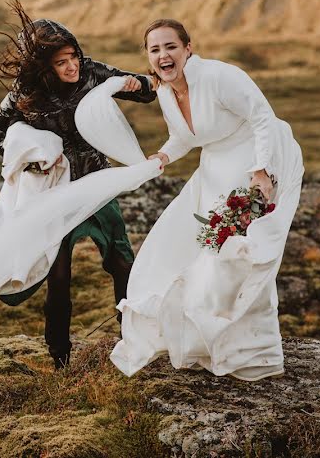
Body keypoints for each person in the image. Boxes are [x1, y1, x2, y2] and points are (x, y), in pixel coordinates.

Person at [110, 19, 304, 381]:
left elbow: (261, 116)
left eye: (170, 46)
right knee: (186, 241)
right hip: (214, 164)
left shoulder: (219, 76)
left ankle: (253, 349)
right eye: (155, 50)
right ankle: (206, 338)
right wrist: (163, 156)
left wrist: (260, 170)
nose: (163, 55)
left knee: (236, 250)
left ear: (188, 48)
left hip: (257, 155)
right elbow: (184, 137)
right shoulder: (166, 93)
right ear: (149, 58)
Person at [0, 0, 158, 369]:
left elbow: (145, 91)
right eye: (61, 62)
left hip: (97, 182)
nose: (71, 65)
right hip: (55, 192)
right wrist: (37, 156)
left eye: (73, 56)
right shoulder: (23, 96)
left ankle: (132, 340)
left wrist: (141, 83)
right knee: (59, 274)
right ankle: (60, 356)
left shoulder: (91, 71)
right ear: (44, 68)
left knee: (121, 261)